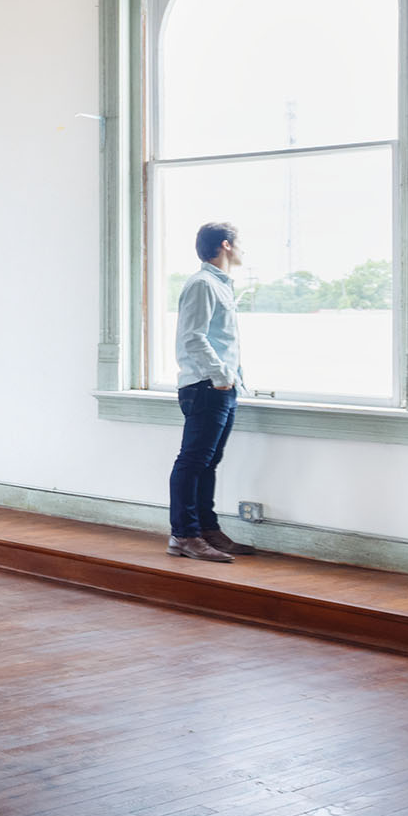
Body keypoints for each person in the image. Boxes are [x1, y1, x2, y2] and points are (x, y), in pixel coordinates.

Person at [170, 221, 256, 562]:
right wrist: (220, 375)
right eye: (241, 243)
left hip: (221, 386)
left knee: (208, 463)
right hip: (206, 386)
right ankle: (184, 536)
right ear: (226, 245)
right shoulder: (203, 284)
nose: (243, 250)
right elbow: (193, 335)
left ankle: (206, 529)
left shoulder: (220, 285)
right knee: (192, 462)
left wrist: (231, 378)